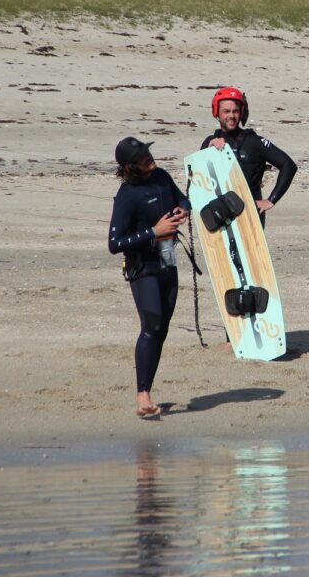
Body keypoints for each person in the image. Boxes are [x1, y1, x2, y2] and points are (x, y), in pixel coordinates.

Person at [108, 137, 191, 418]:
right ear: (130, 166)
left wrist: (183, 209)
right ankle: (142, 396)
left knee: (162, 328)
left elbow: (183, 197)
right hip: (142, 265)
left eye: (148, 152)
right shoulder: (127, 194)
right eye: (142, 157)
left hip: (167, 258)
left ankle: (147, 389)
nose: (149, 158)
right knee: (152, 324)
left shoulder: (161, 176)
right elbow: (114, 243)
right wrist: (154, 232)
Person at [200, 86, 297, 227]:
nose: (231, 116)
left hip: (250, 215)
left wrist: (271, 200)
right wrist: (208, 151)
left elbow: (288, 165)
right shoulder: (209, 143)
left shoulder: (254, 142)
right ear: (217, 112)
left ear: (242, 112)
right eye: (226, 111)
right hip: (219, 213)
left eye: (235, 111)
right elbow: (197, 178)